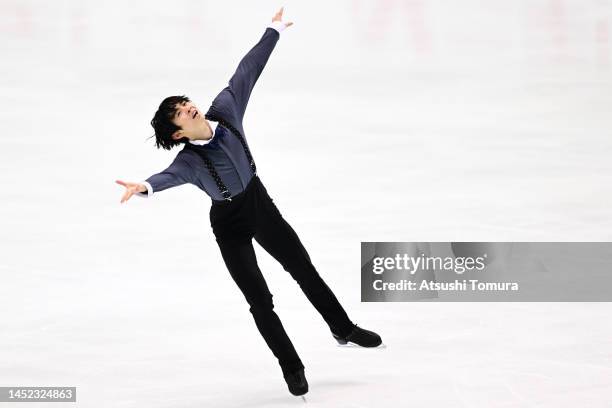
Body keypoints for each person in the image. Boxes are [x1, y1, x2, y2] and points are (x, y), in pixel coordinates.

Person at [115, 7, 383, 397]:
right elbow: (166, 178)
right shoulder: (188, 161)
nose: (189, 107)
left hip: (260, 203)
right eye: (180, 113)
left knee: (303, 268)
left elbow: (248, 69)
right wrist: (143, 186)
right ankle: (292, 367)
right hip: (229, 225)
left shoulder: (225, 110)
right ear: (177, 134)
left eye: (185, 102)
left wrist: (272, 30)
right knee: (260, 300)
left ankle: (343, 328)